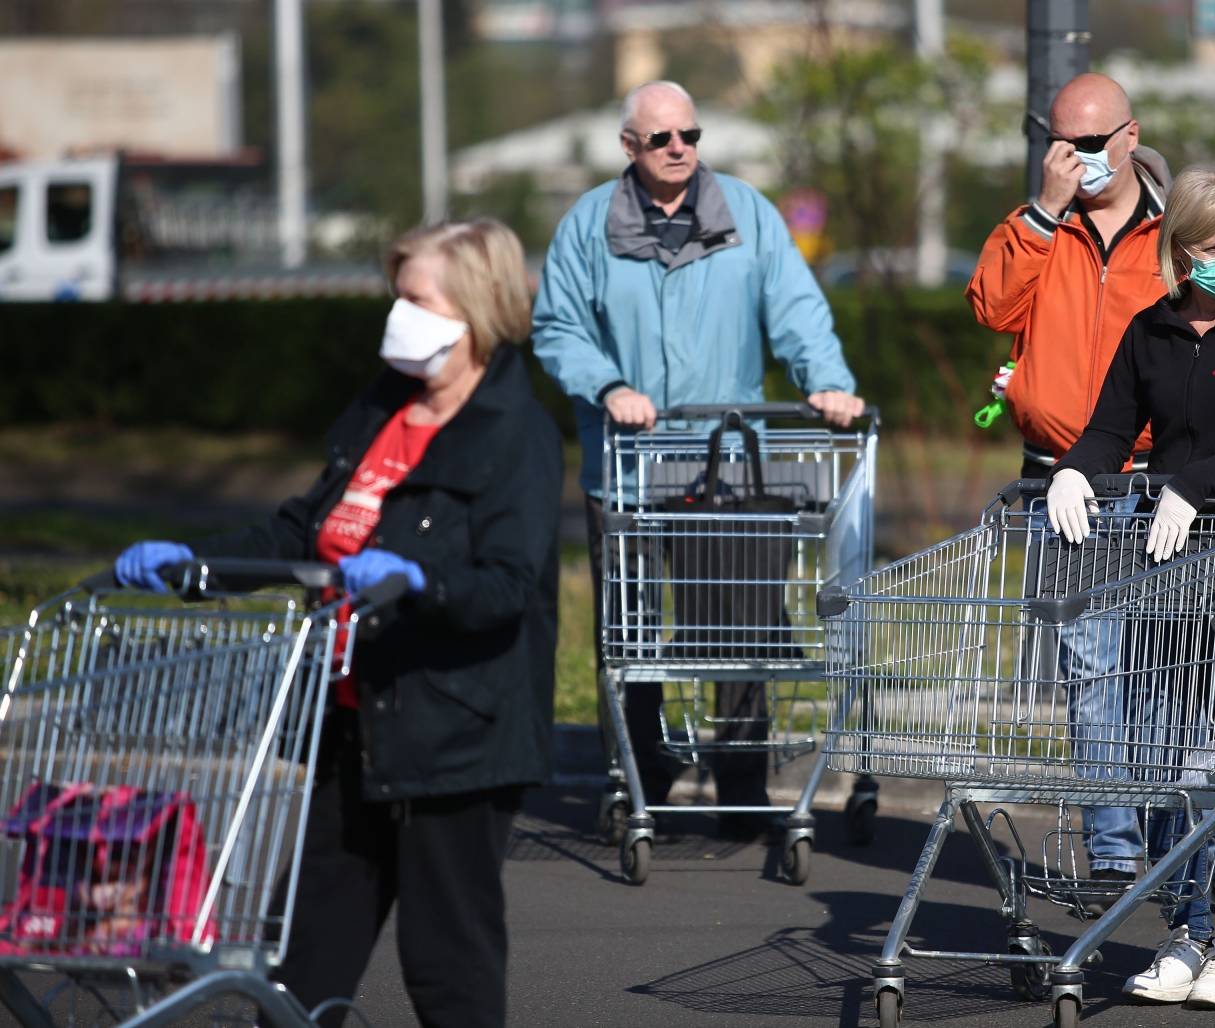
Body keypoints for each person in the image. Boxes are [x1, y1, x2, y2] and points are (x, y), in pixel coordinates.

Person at [113, 219, 561, 1027]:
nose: (399, 313)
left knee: (445, 962)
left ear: (475, 310)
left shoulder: (514, 436)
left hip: (456, 733)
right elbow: (301, 533)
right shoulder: (381, 410)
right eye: (398, 295)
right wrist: (197, 565)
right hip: (355, 720)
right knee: (305, 963)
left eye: (416, 297)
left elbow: (508, 586)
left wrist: (416, 582)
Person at [531, 80, 864, 838]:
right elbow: (556, 328)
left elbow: (797, 311)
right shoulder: (588, 224)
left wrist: (830, 383)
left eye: (690, 134)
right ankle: (642, 780)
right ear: (629, 148)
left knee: (739, 627)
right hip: (628, 463)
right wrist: (607, 384)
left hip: (729, 466)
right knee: (632, 635)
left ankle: (742, 791)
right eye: (661, 139)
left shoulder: (747, 212)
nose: (680, 148)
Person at [1046, 168, 1215, 1010]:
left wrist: (1197, 484)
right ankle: (1182, 929)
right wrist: (1072, 472)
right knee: (1164, 751)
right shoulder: (1151, 330)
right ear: (1181, 251)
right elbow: (1111, 429)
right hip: (1164, 565)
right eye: (1214, 249)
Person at [966, 72, 1173, 907]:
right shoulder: (1037, 229)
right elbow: (989, 304)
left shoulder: (1172, 232)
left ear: (1130, 136)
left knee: (1167, 668)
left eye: (1090, 144)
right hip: (1063, 482)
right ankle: (1116, 849)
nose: (1076, 159)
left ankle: (1171, 835)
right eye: (1059, 143)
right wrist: (1043, 215)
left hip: (1160, 482)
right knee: (1091, 672)